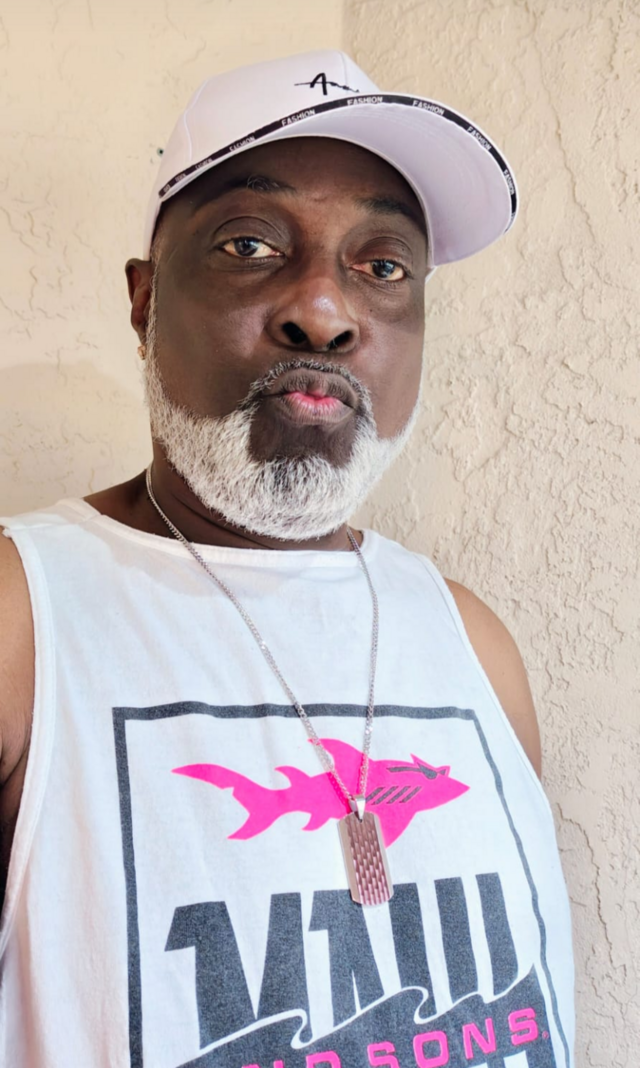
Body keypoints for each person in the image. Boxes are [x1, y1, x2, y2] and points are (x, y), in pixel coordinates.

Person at [0, 50, 574, 1068]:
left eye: (382, 266)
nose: (324, 310)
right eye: (251, 244)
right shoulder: (23, 617)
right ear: (144, 302)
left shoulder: (472, 641)